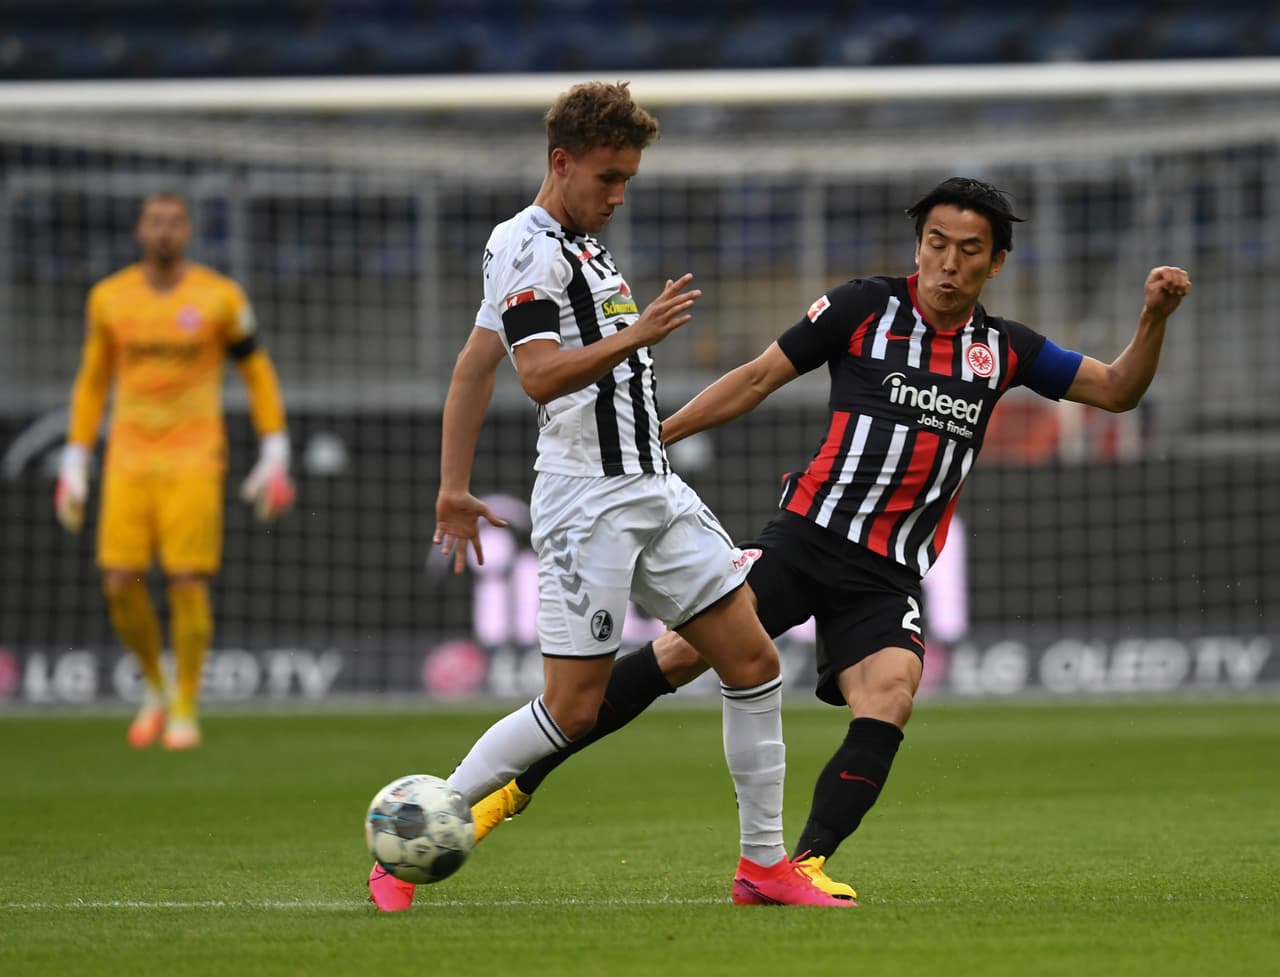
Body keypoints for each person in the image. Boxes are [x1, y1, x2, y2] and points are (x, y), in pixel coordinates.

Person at [461, 176, 1192, 901]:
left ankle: (799, 863)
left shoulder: (1006, 349)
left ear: (995, 263)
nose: (949, 263)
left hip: (889, 573)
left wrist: (1152, 317)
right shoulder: (863, 306)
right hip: (807, 538)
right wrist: (661, 435)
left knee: (892, 694)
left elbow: (1118, 389)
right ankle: (514, 786)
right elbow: (755, 379)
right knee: (682, 652)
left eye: (969, 250)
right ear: (919, 245)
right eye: (936, 243)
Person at [368, 81, 846, 911]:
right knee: (574, 708)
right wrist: (640, 331)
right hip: (586, 502)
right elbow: (532, 374)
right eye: (608, 178)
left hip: (652, 488)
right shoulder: (527, 247)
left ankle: (763, 866)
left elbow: (472, 362)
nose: (620, 195)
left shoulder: (581, 244)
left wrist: (453, 486)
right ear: (562, 163)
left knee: (752, 659)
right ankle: (415, 830)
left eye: (628, 178)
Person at [55, 192, 295, 751]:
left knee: (187, 579)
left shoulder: (220, 298)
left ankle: (186, 703)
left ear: (186, 231)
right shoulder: (109, 299)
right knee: (118, 582)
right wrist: (75, 458)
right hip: (128, 455)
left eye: (174, 222)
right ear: (140, 229)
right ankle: (156, 687)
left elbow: (257, 372)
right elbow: (92, 381)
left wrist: (275, 449)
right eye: (155, 221)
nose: (164, 231)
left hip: (194, 453)